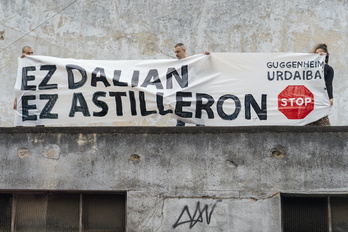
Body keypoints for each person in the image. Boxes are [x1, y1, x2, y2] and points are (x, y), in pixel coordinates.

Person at [173, 43, 209, 126]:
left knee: (198, 119)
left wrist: (206, 57)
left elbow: (204, 66)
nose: (176, 54)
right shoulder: (175, 64)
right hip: (182, 96)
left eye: (178, 52)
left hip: (195, 95)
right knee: (180, 121)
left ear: (184, 51)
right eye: (175, 52)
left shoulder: (193, 61)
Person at [307, 43, 334, 126]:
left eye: (321, 52)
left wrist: (330, 97)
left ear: (326, 54)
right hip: (310, 97)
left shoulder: (329, 69)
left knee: (323, 122)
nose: (319, 54)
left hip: (321, 97)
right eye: (316, 53)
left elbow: (329, 84)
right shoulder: (310, 67)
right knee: (308, 120)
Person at [13, 46, 34, 110]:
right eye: (28, 53)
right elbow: (19, 83)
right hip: (25, 94)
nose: (30, 55)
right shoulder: (22, 64)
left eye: (31, 53)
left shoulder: (35, 62)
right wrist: (15, 100)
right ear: (23, 53)